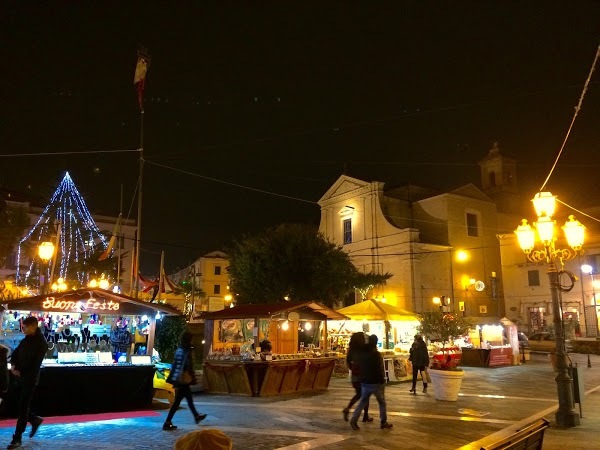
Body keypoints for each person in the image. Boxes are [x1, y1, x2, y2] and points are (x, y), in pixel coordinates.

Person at [6, 316, 49, 449]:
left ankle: (17, 438)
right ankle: (34, 419)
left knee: (23, 407)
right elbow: (16, 354)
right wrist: (13, 366)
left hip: (29, 380)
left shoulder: (41, 344)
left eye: (25, 327)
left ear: (34, 326)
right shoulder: (26, 340)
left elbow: (34, 365)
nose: (23, 329)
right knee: (17, 404)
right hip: (19, 377)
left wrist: (20, 371)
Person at [163, 330, 207, 431]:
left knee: (187, 400)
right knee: (178, 402)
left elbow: (175, 364)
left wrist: (173, 378)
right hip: (183, 380)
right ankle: (167, 422)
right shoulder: (187, 351)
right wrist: (193, 378)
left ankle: (196, 416)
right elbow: (188, 366)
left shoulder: (179, 350)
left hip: (178, 379)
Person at [350, 334, 392, 431]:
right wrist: (382, 380)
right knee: (382, 402)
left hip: (365, 381)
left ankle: (354, 419)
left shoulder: (363, 353)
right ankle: (383, 421)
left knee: (363, 402)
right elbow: (378, 369)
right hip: (375, 382)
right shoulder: (376, 354)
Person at [342, 332, 372, 423]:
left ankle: (365, 415)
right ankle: (351, 410)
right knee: (364, 395)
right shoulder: (362, 349)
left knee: (361, 395)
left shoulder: (351, 350)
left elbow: (348, 362)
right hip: (363, 375)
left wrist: (353, 370)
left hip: (355, 376)